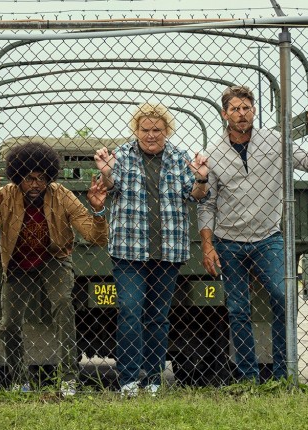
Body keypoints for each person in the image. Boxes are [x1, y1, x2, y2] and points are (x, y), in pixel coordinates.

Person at [198, 85, 308, 382]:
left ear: (254, 111)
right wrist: (207, 245)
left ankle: (282, 375)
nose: (241, 114)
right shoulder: (213, 154)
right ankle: (248, 377)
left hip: (268, 237)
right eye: (235, 109)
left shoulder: (275, 141)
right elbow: (206, 205)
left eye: (246, 108)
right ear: (225, 114)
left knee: (283, 297)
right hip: (228, 240)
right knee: (238, 309)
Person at [0, 142, 108, 396]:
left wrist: (98, 210)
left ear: (50, 177)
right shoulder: (7, 196)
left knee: (63, 306)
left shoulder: (61, 195)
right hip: (18, 263)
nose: (35, 184)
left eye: (42, 178)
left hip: (53, 259)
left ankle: (68, 378)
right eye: (29, 178)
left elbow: (96, 237)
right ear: (18, 177)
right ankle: (20, 379)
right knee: (8, 324)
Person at [95, 102, 210, 397]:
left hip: (168, 250)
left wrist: (200, 177)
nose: (150, 135)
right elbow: (109, 186)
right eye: (145, 129)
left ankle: (153, 379)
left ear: (166, 130)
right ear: (136, 130)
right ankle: (129, 379)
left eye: (157, 130)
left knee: (158, 316)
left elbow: (196, 196)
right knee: (130, 311)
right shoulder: (121, 156)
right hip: (128, 250)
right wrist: (106, 173)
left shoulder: (179, 157)